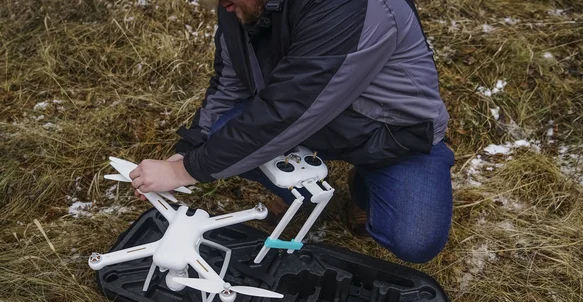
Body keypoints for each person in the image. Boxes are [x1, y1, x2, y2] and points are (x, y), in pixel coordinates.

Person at [128, 0, 455, 264]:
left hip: (390, 136)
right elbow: (229, 83)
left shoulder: (351, 7)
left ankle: (364, 188)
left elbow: (287, 112)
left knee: (415, 238)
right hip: (308, 122)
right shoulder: (237, 6)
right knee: (218, 135)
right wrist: (189, 149)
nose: (219, 5)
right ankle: (298, 197)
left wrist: (184, 171)